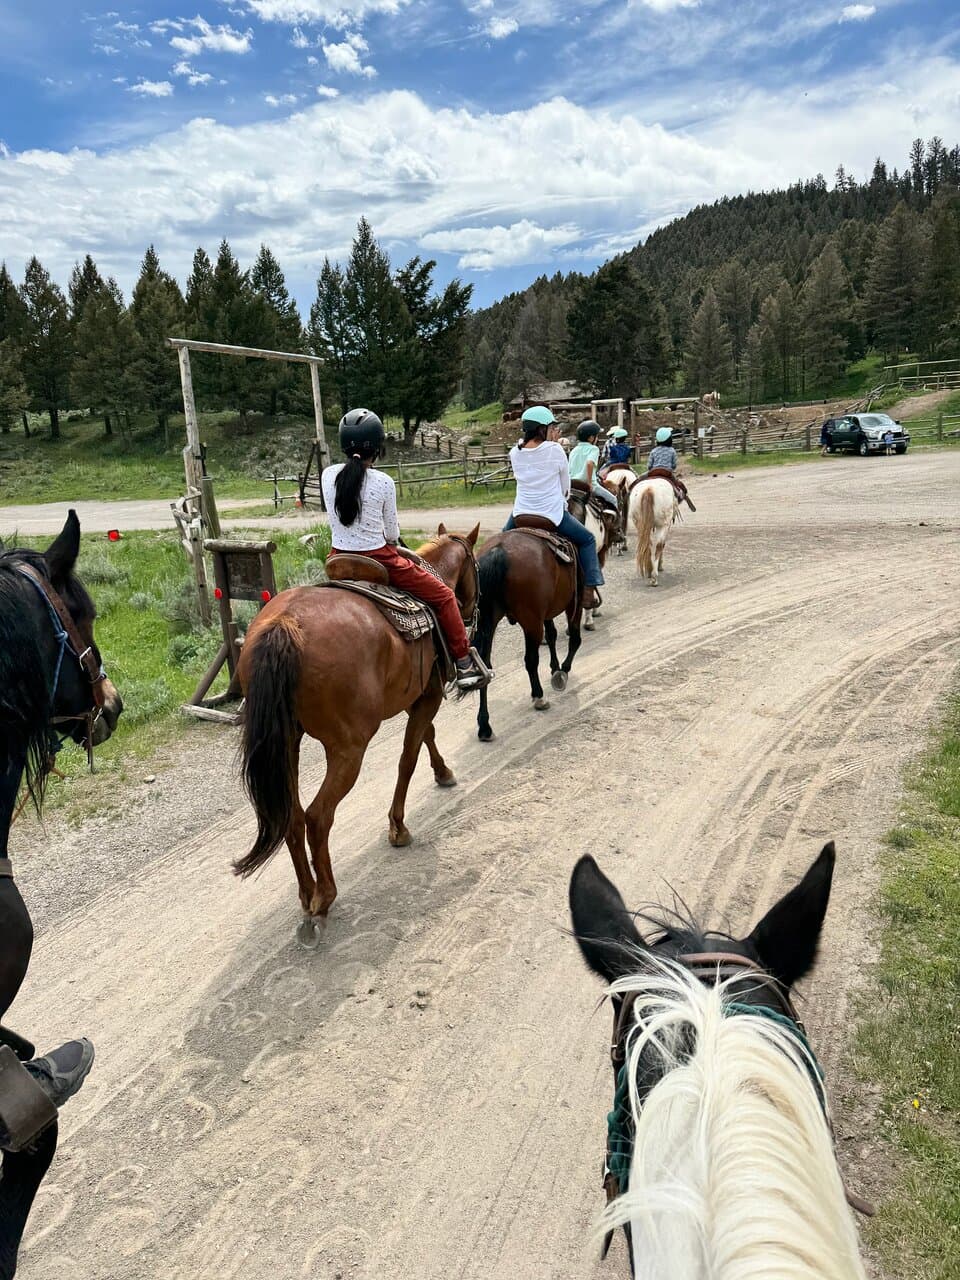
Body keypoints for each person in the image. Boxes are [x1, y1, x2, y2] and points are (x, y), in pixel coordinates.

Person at [320, 409, 488, 692]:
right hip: (379, 561)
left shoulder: (328, 475)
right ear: (377, 445)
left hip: (338, 559)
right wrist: (401, 550)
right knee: (446, 597)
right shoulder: (383, 482)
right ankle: (463, 662)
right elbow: (392, 535)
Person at [503, 406, 604, 609]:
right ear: (542, 429)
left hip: (520, 514)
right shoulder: (555, 449)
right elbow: (565, 487)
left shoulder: (515, 452)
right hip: (551, 515)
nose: (553, 431)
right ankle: (589, 588)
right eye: (551, 427)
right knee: (587, 540)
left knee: (502, 542)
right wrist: (563, 500)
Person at [567, 421, 619, 518]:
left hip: (572, 484)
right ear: (591, 438)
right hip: (587, 484)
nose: (597, 438)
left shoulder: (574, 450)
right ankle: (615, 529)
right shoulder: (593, 449)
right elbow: (589, 463)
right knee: (613, 500)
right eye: (596, 436)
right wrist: (590, 483)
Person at [645, 426, 695, 510]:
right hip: (667, 473)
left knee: (639, 480)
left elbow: (649, 466)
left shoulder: (653, 451)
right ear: (669, 439)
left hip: (654, 472)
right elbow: (674, 465)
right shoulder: (672, 450)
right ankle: (682, 495)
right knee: (679, 485)